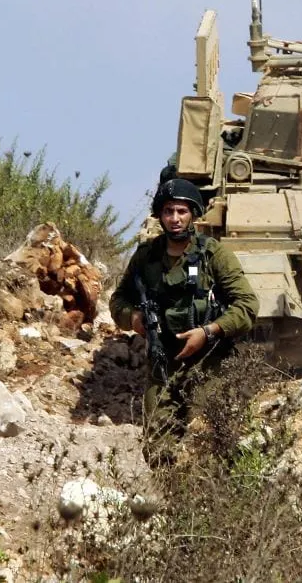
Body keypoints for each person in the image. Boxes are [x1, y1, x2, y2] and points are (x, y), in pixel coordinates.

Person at [110, 178, 258, 462]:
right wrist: (134, 318)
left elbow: (247, 306)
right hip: (161, 361)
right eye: (168, 211)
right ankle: (169, 501)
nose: (174, 219)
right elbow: (119, 299)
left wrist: (210, 330)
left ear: (193, 214)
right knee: (157, 448)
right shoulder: (145, 257)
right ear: (160, 215)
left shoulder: (213, 255)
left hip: (208, 363)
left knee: (207, 444)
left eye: (181, 211)